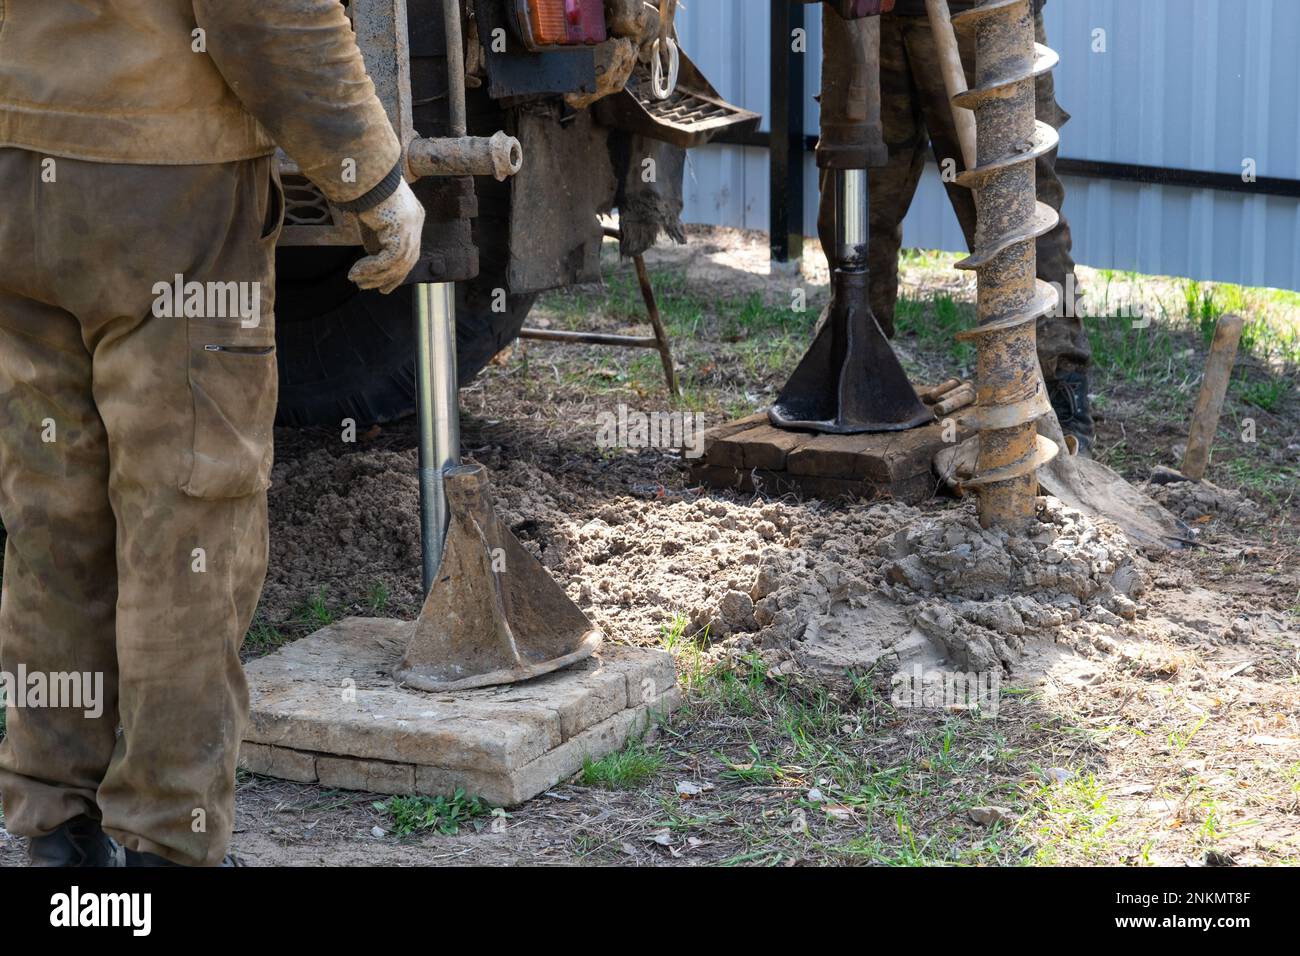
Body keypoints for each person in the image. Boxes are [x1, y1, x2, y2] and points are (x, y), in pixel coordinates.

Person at [0, 0, 424, 867]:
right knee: (187, 520)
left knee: (52, 514)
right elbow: (267, 12)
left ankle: (56, 842)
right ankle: (167, 847)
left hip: (16, 171)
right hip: (167, 187)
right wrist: (373, 179)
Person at [820, 0, 1095, 452]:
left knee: (1016, 211)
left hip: (983, 16)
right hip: (863, 22)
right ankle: (856, 372)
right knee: (854, 204)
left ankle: (1057, 389)